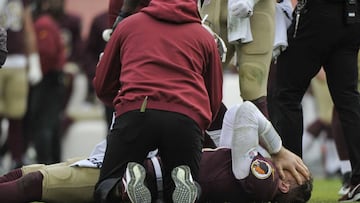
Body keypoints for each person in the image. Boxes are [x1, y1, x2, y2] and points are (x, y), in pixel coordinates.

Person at [0, 101, 312, 203]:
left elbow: (245, 111)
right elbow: (231, 118)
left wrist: (279, 149)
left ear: (285, 185)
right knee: (33, 172)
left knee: (34, 182)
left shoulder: (263, 179)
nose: (292, 165)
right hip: (143, 157)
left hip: (140, 166)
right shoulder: (242, 169)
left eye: (297, 172)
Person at [93, 0, 223, 202]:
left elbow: (102, 84)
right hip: (187, 117)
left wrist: (122, 103)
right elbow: (214, 97)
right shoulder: (204, 36)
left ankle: (123, 187)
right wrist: (198, 123)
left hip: (138, 110)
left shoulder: (129, 25)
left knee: (107, 184)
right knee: (182, 180)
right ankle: (188, 190)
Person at [266, 0, 360, 201]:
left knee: (285, 96)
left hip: (318, 12)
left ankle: (292, 184)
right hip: (351, 15)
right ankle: (358, 179)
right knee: (348, 100)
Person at [22, 0, 67, 165]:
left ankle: (45, 163)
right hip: (53, 80)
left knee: (43, 126)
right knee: (51, 125)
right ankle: (53, 163)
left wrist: (37, 73)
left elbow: (46, 53)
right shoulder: (48, 23)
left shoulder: (43, 24)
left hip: (47, 80)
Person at [0, 0, 42, 169]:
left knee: (16, 115)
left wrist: (33, 60)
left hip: (17, 62)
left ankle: (16, 159)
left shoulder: (21, 2)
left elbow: (27, 28)